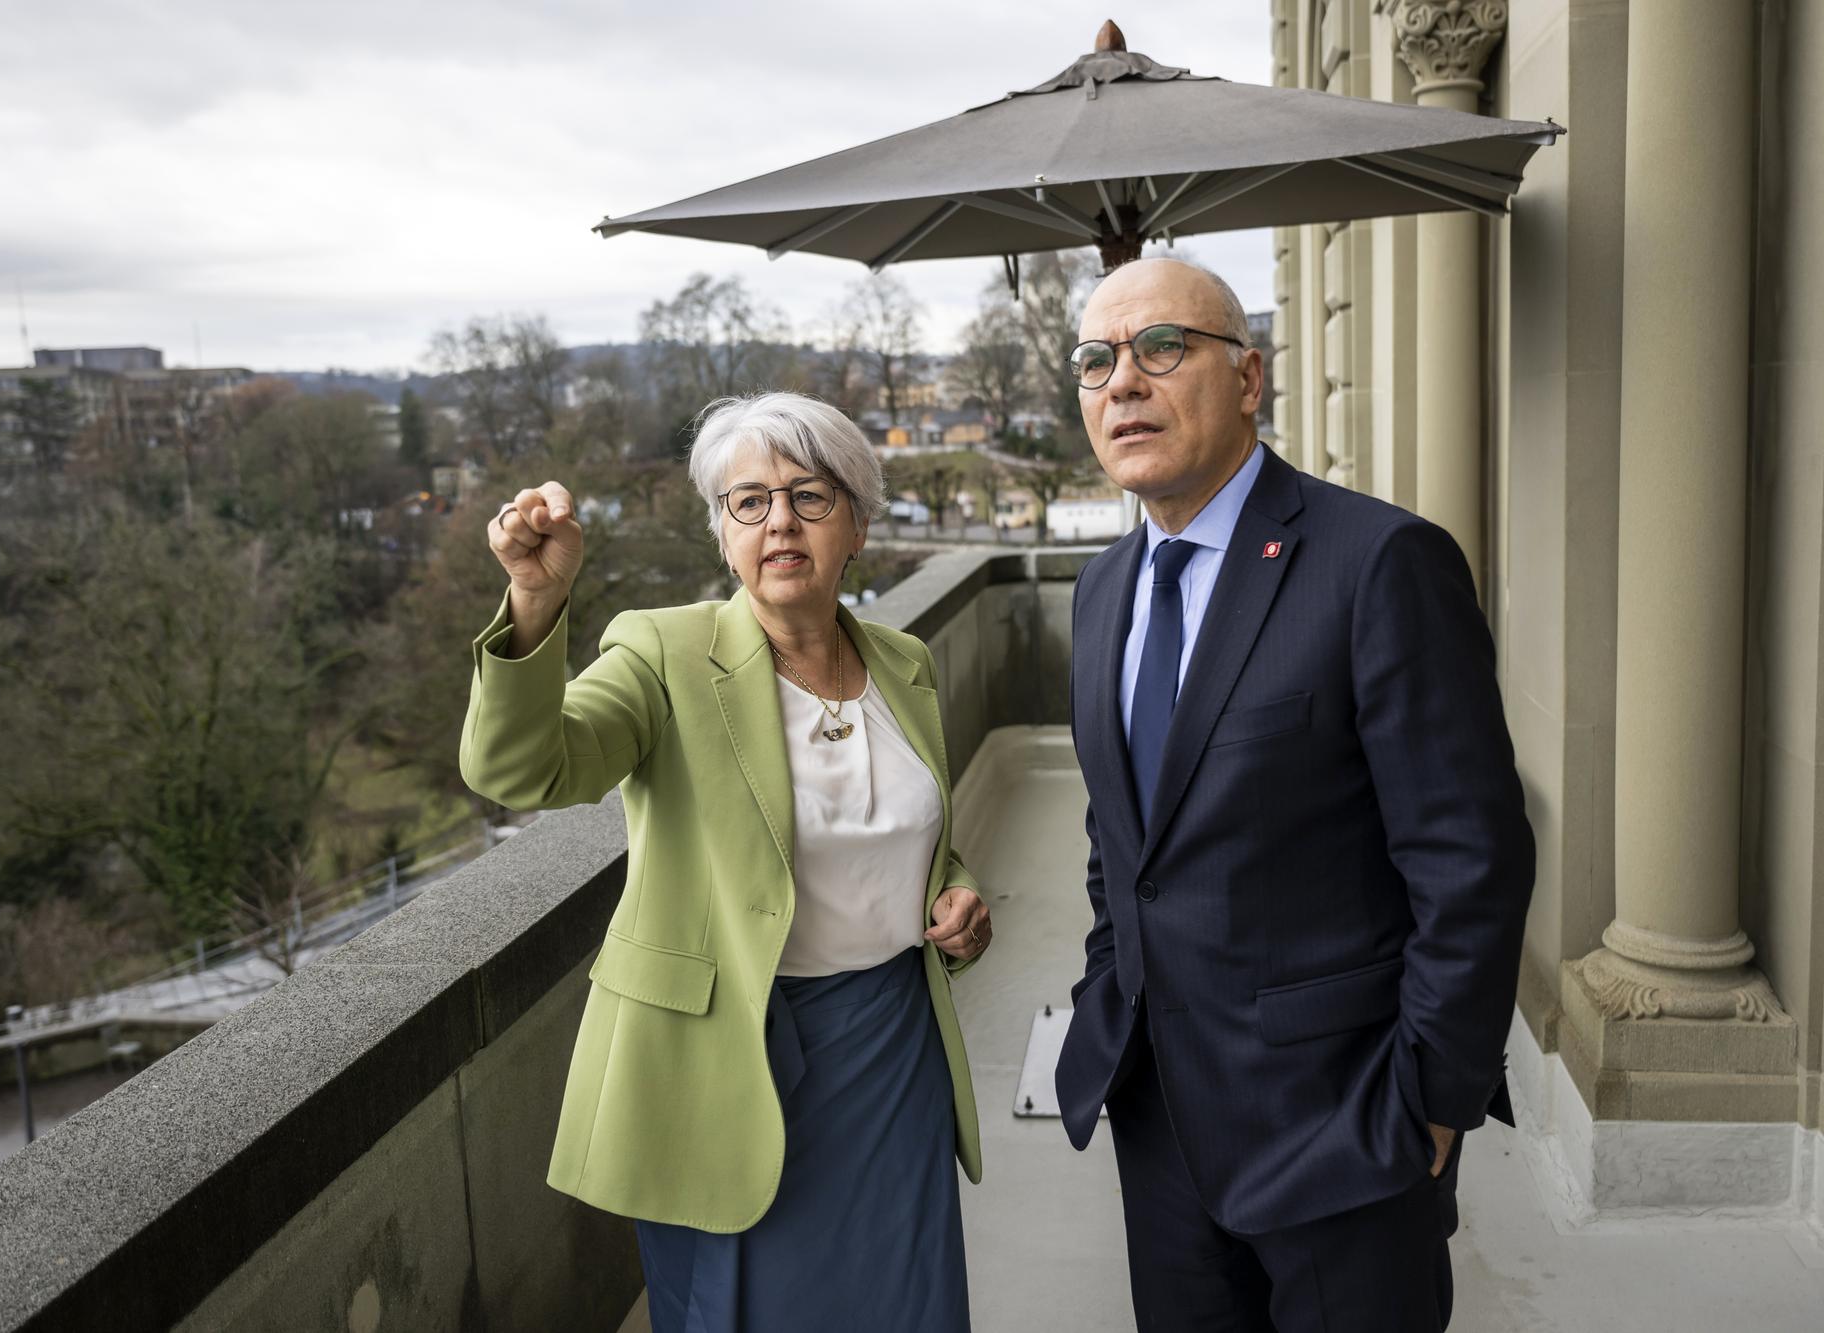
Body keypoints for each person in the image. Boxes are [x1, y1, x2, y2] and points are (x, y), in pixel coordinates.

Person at [1051, 258, 1534, 1333]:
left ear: (1248, 377)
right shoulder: (1098, 594)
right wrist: (1108, 987)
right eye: (1095, 359)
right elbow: (1118, 842)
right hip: (1158, 1117)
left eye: (1160, 347)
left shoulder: (1378, 562)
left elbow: (1469, 858)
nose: (1122, 382)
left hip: (1342, 1128)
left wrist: (1428, 1104)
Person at [461, 391, 991, 1333]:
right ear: (723, 533)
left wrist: (955, 894)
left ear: (858, 524)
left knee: (911, 1306)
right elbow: (523, 768)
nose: (779, 519)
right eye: (749, 501)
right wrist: (536, 602)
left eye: (810, 495)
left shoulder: (905, 663)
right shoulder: (662, 652)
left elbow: (917, 835)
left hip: (893, 1050)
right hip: (734, 1058)